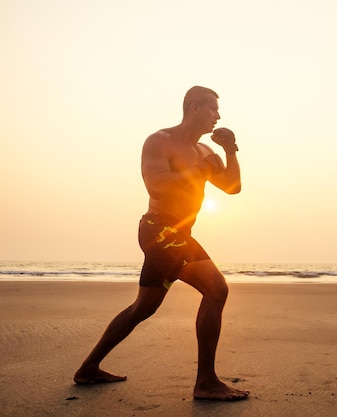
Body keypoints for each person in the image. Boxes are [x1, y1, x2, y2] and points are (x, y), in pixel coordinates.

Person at [73, 86, 248, 401]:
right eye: (212, 109)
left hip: (179, 234)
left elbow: (233, 187)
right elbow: (155, 184)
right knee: (216, 289)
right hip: (159, 230)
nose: (218, 116)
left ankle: (88, 369)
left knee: (143, 308)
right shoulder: (160, 141)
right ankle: (205, 383)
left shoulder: (206, 152)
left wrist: (231, 150)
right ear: (193, 108)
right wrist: (197, 172)